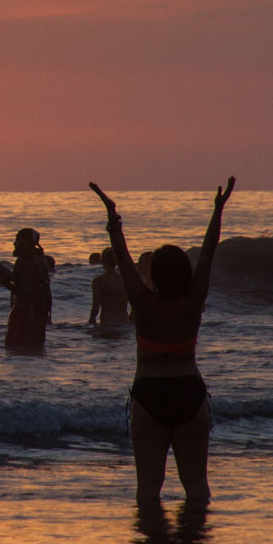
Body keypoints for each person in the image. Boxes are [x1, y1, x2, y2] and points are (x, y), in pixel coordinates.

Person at [91, 177, 235, 505]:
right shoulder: (194, 301)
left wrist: (113, 219)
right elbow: (209, 252)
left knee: (148, 488)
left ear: (153, 276)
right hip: (189, 393)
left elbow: (123, 258)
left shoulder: (142, 303)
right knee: (197, 486)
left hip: (149, 393)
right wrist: (218, 210)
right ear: (185, 273)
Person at [0, 228, 55, 352]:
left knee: (14, 351)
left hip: (23, 313)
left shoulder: (23, 262)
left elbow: (26, 292)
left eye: (18, 240)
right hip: (39, 313)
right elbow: (35, 286)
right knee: (35, 350)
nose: (14, 243)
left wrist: (2, 281)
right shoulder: (39, 261)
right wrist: (7, 275)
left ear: (26, 243)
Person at [89, 248, 130, 328]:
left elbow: (95, 307)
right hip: (125, 322)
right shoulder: (126, 280)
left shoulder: (98, 281)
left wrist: (91, 319)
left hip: (107, 322)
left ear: (103, 262)